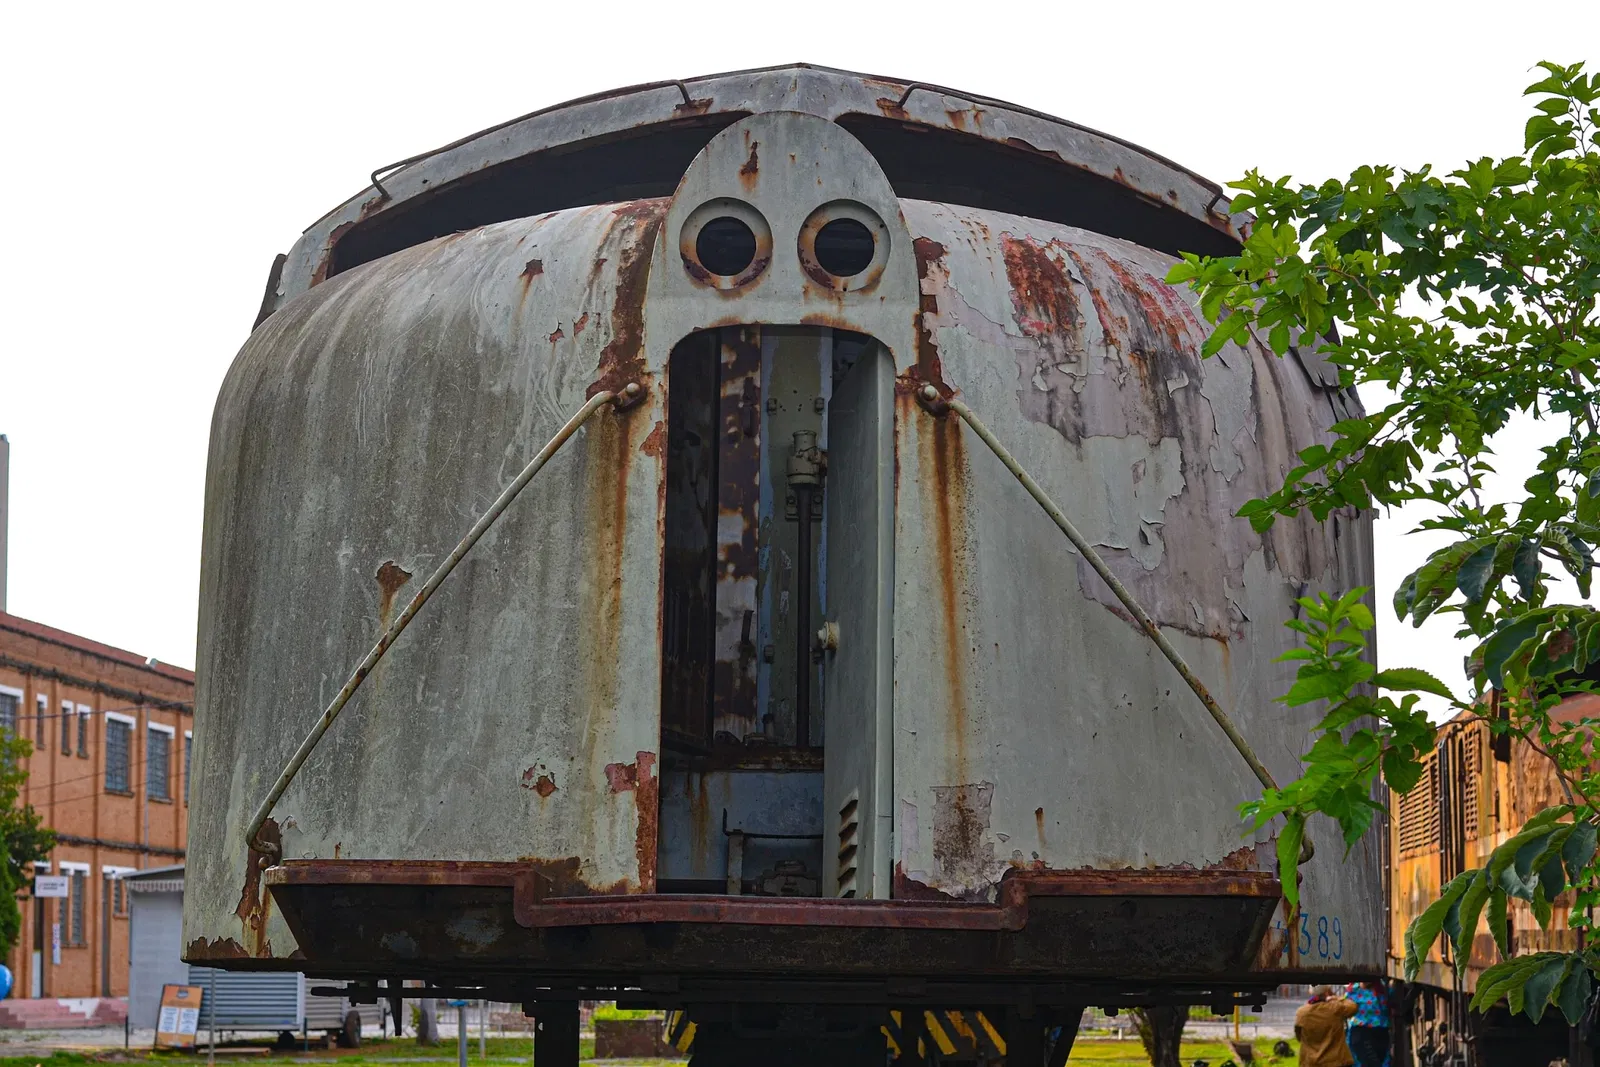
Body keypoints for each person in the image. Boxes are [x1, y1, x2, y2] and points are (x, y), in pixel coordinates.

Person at [1295, 986, 1357, 1067]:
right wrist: (1336, 998)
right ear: (1327, 992)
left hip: (1310, 1062)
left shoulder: (1302, 1012)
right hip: (1336, 1060)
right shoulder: (1335, 1008)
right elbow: (1353, 1006)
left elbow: (1299, 1036)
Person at [1343, 981, 1390, 1067]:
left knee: (1380, 1061)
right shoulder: (1353, 990)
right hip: (1360, 1032)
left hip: (1380, 1032)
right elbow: (1344, 1008)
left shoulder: (1382, 988)